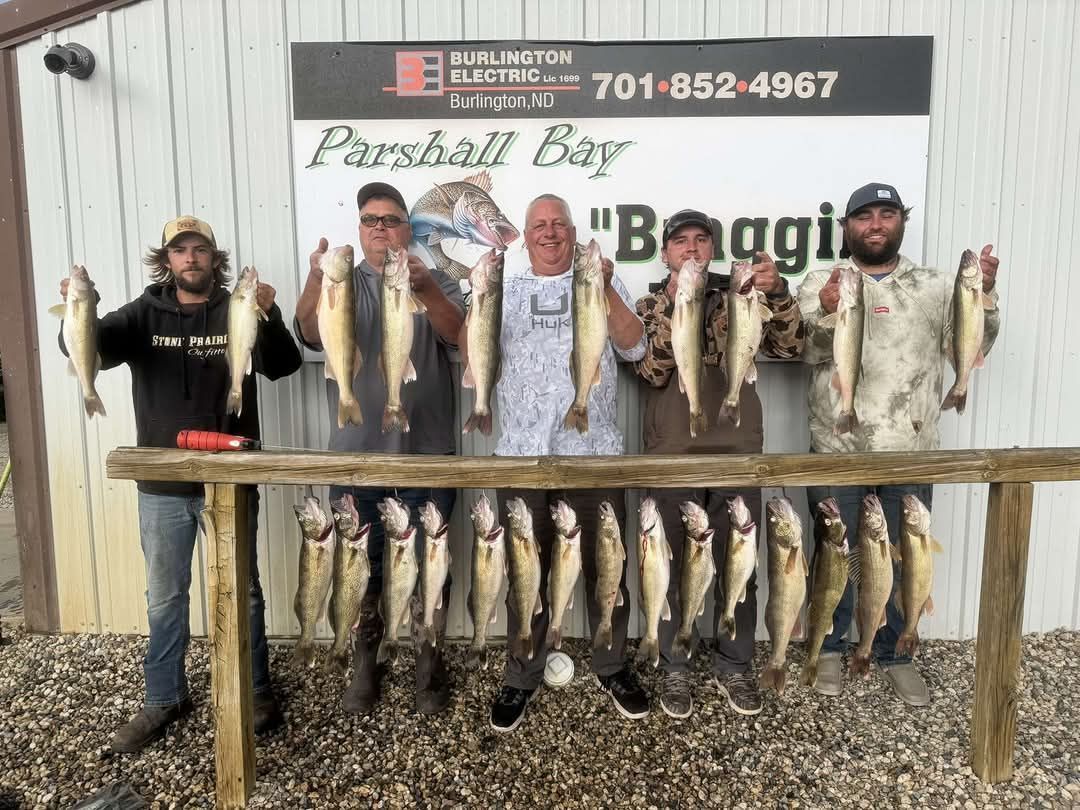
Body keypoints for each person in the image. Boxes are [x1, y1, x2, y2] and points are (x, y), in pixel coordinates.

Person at [58, 215, 302, 753]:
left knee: (248, 593)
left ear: (216, 259)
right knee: (165, 598)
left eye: (200, 250)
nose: (191, 258)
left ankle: (256, 689)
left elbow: (283, 366)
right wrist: (82, 307)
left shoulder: (236, 308)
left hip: (231, 479)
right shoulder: (143, 313)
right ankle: (163, 698)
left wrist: (270, 312)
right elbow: (84, 348)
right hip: (162, 485)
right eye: (180, 250)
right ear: (166, 259)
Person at [798, 182, 1002, 705]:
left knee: (904, 559)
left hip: (912, 448)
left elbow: (976, 340)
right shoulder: (822, 280)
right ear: (846, 228)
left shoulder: (934, 285)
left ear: (901, 222)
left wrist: (985, 299)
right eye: (864, 216)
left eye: (886, 214)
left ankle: (896, 650)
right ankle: (828, 647)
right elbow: (809, 350)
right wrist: (825, 312)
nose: (876, 225)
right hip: (835, 448)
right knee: (835, 557)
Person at [457, 193, 648, 732]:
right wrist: (475, 296)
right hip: (520, 456)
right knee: (525, 573)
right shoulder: (503, 288)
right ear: (524, 234)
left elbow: (634, 348)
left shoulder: (602, 282)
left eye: (559, 223)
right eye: (539, 225)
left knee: (607, 569)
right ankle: (521, 674)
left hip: (594, 455)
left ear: (572, 232)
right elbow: (471, 353)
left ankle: (611, 665)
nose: (550, 232)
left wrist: (605, 286)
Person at [294, 182, 465, 715]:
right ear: (359, 229)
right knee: (359, 562)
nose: (380, 229)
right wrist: (316, 277)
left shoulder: (438, 281)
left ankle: (427, 666)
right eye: (370, 220)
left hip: (428, 452)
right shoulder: (343, 283)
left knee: (428, 562)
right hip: (356, 452)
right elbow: (308, 332)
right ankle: (366, 661)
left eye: (391, 220)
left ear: (407, 230)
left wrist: (428, 291)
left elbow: (462, 337)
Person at [633, 209, 803, 719]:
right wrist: (675, 303)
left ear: (712, 249)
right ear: (664, 253)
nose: (691, 248)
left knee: (739, 565)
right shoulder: (647, 304)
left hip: (736, 452)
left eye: (700, 240)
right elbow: (649, 368)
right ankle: (676, 665)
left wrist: (775, 294)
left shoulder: (742, 294)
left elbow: (791, 345)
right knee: (666, 564)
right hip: (671, 453)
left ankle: (734, 663)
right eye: (680, 241)